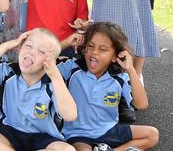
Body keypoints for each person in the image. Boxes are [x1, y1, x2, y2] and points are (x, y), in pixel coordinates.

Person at [58, 22, 159, 151]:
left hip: (109, 130)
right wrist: (66, 43)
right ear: (84, 48)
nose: (94, 52)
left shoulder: (120, 78)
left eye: (103, 49)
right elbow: (44, 63)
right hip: (78, 134)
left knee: (152, 135)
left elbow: (142, 104)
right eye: (90, 46)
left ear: (115, 56)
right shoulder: (72, 67)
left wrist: (131, 70)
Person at [0, 29, 77, 151]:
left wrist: (55, 76)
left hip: (43, 137)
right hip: (9, 131)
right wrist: (7, 45)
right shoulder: (9, 72)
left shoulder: (53, 83)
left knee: (67, 150)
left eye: (41, 51)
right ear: (20, 48)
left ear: (51, 62)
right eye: (28, 45)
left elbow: (70, 115)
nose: (31, 52)